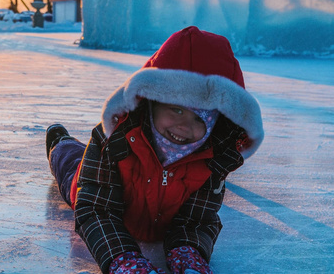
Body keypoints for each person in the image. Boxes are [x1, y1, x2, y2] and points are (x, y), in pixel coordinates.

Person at [45, 26, 264, 274]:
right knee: (72, 165)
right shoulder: (113, 139)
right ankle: (59, 142)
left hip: (160, 210)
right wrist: (122, 257)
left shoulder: (212, 161)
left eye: (200, 119)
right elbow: (97, 210)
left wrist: (188, 252)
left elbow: (197, 219)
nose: (184, 126)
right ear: (151, 101)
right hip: (94, 193)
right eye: (177, 109)